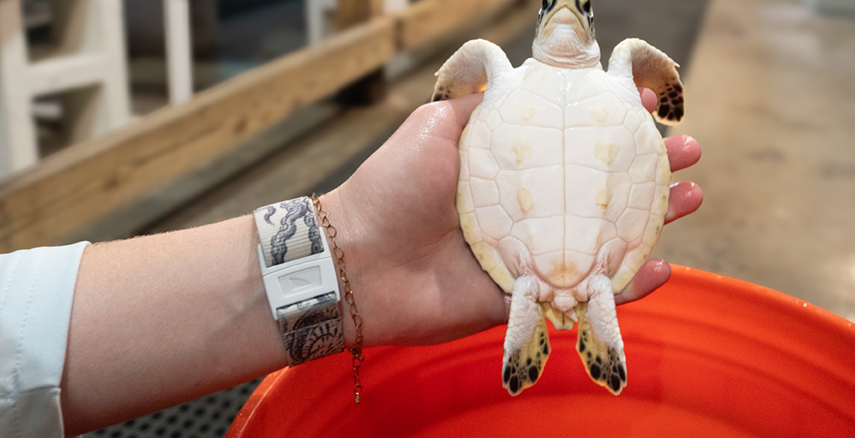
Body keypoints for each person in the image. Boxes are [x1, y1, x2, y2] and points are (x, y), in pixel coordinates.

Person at [1, 91, 702, 437]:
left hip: (529, 227)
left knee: (546, 286)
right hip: (524, 230)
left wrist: (354, 244)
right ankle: (572, 324)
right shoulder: (504, 74)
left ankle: (571, 323)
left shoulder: (525, 79)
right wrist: (354, 244)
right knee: (562, 290)